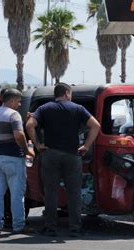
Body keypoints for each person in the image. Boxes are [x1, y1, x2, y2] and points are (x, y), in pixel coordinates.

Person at [26, 83, 100, 237]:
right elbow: (95, 126)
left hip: (50, 154)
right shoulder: (78, 109)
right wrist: (86, 146)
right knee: (74, 192)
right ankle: (75, 227)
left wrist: (38, 144)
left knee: (50, 191)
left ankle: (50, 227)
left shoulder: (45, 108)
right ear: (67, 93)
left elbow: (29, 125)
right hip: (73, 155)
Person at [0, 89, 35, 235]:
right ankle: (18, 225)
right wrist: (27, 151)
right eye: (18, 101)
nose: (19, 104)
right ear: (11, 101)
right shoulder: (13, 115)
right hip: (13, 158)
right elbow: (19, 135)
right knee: (17, 194)